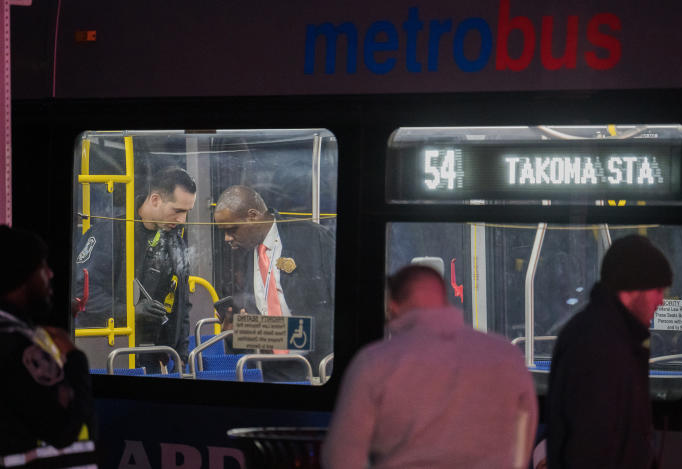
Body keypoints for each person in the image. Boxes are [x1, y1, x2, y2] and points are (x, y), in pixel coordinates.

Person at [322, 265, 537, 469]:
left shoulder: (374, 362)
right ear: (444, 300)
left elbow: (341, 458)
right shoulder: (507, 356)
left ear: (392, 306)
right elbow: (521, 442)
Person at [547, 234, 672, 469]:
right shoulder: (597, 346)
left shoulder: (616, 337)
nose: (662, 301)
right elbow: (590, 448)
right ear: (636, 288)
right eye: (658, 289)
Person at [74, 166, 196, 372]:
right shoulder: (111, 232)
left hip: (158, 358)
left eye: (187, 212)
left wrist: (181, 356)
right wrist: (130, 312)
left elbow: (181, 303)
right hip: (113, 354)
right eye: (177, 211)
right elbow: (83, 295)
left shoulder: (175, 240)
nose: (182, 220)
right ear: (155, 199)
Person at [213, 185, 334, 382]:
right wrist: (237, 333)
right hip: (270, 369)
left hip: (317, 368)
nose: (227, 238)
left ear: (253, 216)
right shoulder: (244, 258)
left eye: (232, 229)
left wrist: (251, 331)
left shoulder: (311, 239)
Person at [0, 225, 93, 456]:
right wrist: (75, 359)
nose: (50, 274)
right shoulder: (17, 346)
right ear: (22, 275)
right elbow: (62, 428)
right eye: (42, 267)